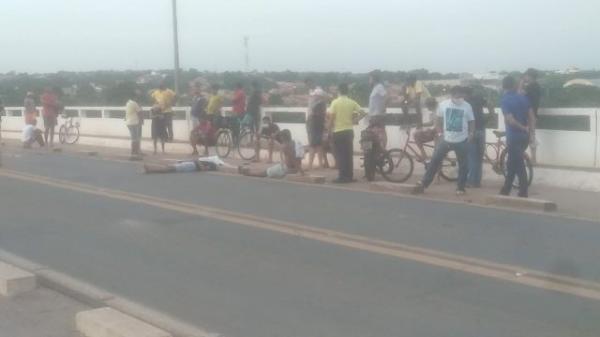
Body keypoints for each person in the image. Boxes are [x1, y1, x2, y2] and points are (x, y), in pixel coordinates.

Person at [413, 86, 475, 196]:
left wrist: (470, 134)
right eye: (457, 96)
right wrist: (440, 134)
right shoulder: (443, 105)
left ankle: (460, 188)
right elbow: (438, 120)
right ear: (452, 95)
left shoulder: (467, 106)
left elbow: (471, 121)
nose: (460, 98)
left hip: (462, 140)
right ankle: (424, 183)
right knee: (434, 161)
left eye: (461, 95)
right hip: (446, 140)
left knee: (463, 165)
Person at [500, 76, 535, 198]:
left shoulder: (505, 100)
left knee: (518, 164)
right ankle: (506, 189)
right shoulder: (523, 98)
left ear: (503, 86)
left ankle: (523, 191)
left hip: (514, 135)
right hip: (524, 137)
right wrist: (529, 131)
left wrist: (522, 127)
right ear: (514, 85)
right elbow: (531, 117)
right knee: (511, 163)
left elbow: (510, 120)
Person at [328, 83, 364, 183]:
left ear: (339, 91)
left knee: (340, 155)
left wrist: (329, 130)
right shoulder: (352, 102)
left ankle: (342, 176)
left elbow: (331, 118)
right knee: (348, 154)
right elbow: (363, 113)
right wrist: (355, 120)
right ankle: (349, 176)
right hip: (349, 131)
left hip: (338, 131)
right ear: (347, 91)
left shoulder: (335, 102)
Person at [239, 129, 304, 178]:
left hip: (285, 169)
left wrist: (300, 172)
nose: (280, 138)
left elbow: (293, 159)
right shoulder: (292, 143)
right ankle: (249, 171)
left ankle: (248, 173)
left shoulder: (286, 146)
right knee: (265, 170)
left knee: (264, 173)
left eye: (281, 137)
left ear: (283, 137)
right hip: (287, 167)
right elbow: (296, 158)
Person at [465, 85, 494, 187]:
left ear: (465, 94)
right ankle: (477, 182)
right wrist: (491, 115)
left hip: (471, 132)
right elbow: (490, 104)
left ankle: (472, 181)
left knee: (472, 157)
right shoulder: (478, 98)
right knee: (479, 157)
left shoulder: (465, 103)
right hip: (482, 130)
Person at [305, 79, 330, 170]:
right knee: (318, 144)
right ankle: (319, 165)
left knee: (312, 144)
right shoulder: (313, 92)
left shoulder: (317, 91)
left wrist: (315, 97)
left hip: (314, 120)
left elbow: (324, 97)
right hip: (318, 120)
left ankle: (310, 165)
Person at [521, 68, 542, 165]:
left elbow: (520, 93)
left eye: (526, 75)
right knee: (531, 135)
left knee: (529, 136)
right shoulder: (537, 86)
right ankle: (534, 159)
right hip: (534, 114)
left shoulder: (531, 86)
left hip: (530, 115)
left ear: (530, 76)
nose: (525, 77)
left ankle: (533, 160)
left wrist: (521, 83)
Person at [413, 97, 439, 162]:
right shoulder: (433, 112)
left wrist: (431, 130)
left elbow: (440, 125)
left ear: (430, 105)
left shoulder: (438, 112)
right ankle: (423, 154)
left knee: (436, 153)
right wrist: (421, 124)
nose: (427, 108)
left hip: (438, 133)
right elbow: (431, 123)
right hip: (435, 132)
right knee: (416, 134)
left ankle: (437, 167)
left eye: (427, 106)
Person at [367, 70, 388, 149]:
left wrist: (383, 108)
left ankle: (382, 149)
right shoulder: (375, 88)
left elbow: (386, 96)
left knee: (377, 132)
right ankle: (379, 150)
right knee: (375, 133)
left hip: (378, 115)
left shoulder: (379, 87)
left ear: (373, 78)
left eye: (370, 78)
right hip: (374, 115)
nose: (369, 80)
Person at [125, 89, 144, 157]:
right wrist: (142, 121)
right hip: (134, 122)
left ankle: (136, 152)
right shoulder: (134, 103)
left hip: (130, 122)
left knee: (136, 138)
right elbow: (140, 112)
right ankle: (134, 152)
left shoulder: (128, 102)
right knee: (135, 138)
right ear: (134, 96)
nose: (138, 96)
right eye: (137, 95)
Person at [144, 159, 218, 174]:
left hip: (188, 166)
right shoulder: (208, 164)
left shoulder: (210, 165)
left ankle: (151, 169)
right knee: (168, 169)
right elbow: (201, 167)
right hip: (189, 166)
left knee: (167, 169)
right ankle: (150, 169)